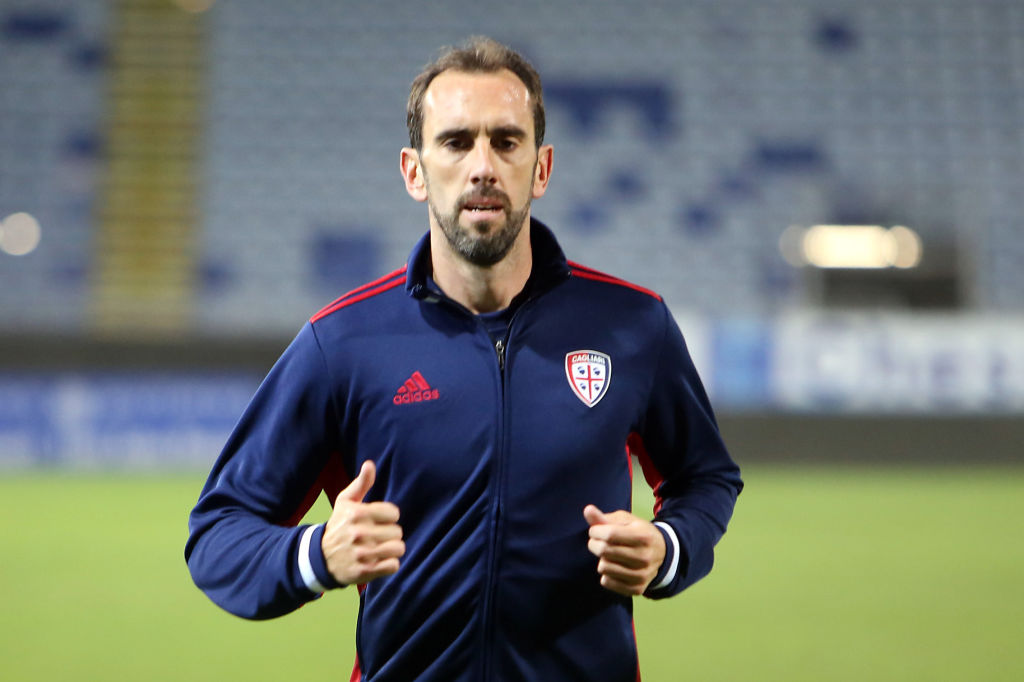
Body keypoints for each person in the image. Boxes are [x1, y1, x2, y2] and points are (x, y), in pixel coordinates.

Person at [186, 36, 743, 681]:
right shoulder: (342, 343)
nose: (483, 166)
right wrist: (316, 555)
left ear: (541, 167)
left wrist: (669, 550)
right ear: (414, 170)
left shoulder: (632, 325)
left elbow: (706, 477)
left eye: (506, 142)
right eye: (456, 142)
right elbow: (219, 533)